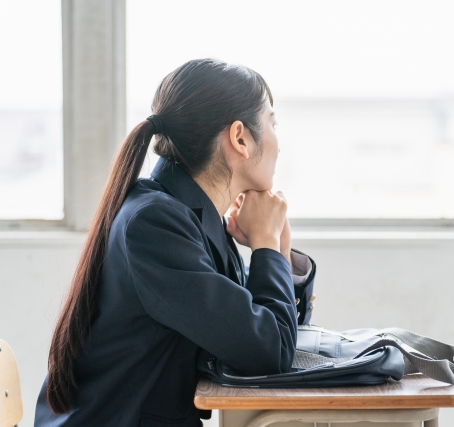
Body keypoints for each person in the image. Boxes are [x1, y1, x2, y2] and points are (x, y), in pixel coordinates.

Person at [35, 58, 316, 427]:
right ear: (240, 138)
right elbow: (269, 353)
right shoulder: (155, 225)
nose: (278, 144)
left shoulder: (190, 216)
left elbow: (274, 334)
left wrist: (278, 249)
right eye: (272, 125)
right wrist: (265, 245)